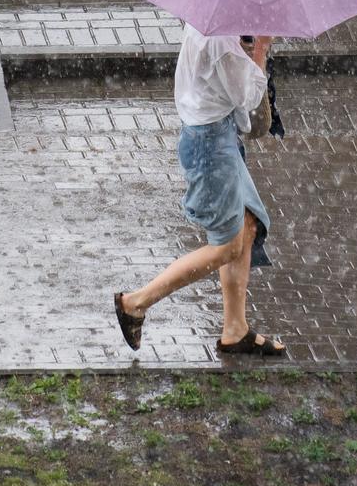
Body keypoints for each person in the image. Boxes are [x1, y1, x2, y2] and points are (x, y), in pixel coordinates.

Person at [112, 27, 288, 358]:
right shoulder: (222, 42)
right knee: (226, 247)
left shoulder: (208, 25)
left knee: (247, 224)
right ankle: (135, 303)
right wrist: (261, 49)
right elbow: (248, 101)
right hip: (211, 146)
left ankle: (235, 330)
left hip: (216, 136)